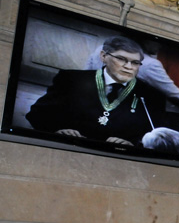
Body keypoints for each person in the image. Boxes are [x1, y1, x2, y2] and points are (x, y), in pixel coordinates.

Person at [25, 36, 168, 146]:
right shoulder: (72, 79)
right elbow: (37, 114)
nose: (129, 66)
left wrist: (131, 144)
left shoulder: (152, 96)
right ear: (103, 56)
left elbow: (157, 136)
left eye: (135, 62)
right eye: (121, 59)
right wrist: (57, 131)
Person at [85, 41, 179, 116]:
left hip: (91, 112)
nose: (161, 46)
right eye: (158, 41)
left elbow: (85, 81)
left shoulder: (101, 50)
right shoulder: (149, 64)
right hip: (127, 120)